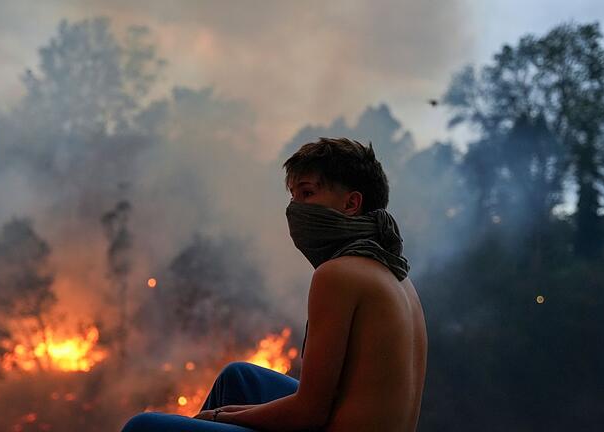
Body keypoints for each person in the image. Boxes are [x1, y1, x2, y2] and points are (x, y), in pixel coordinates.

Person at [121, 137, 427, 432]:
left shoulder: (338, 275)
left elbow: (310, 412)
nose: (295, 210)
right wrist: (231, 413)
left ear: (351, 203)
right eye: (293, 197)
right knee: (238, 378)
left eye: (307, 194)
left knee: (142, 427)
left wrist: (219, 417)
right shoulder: (397, 276)